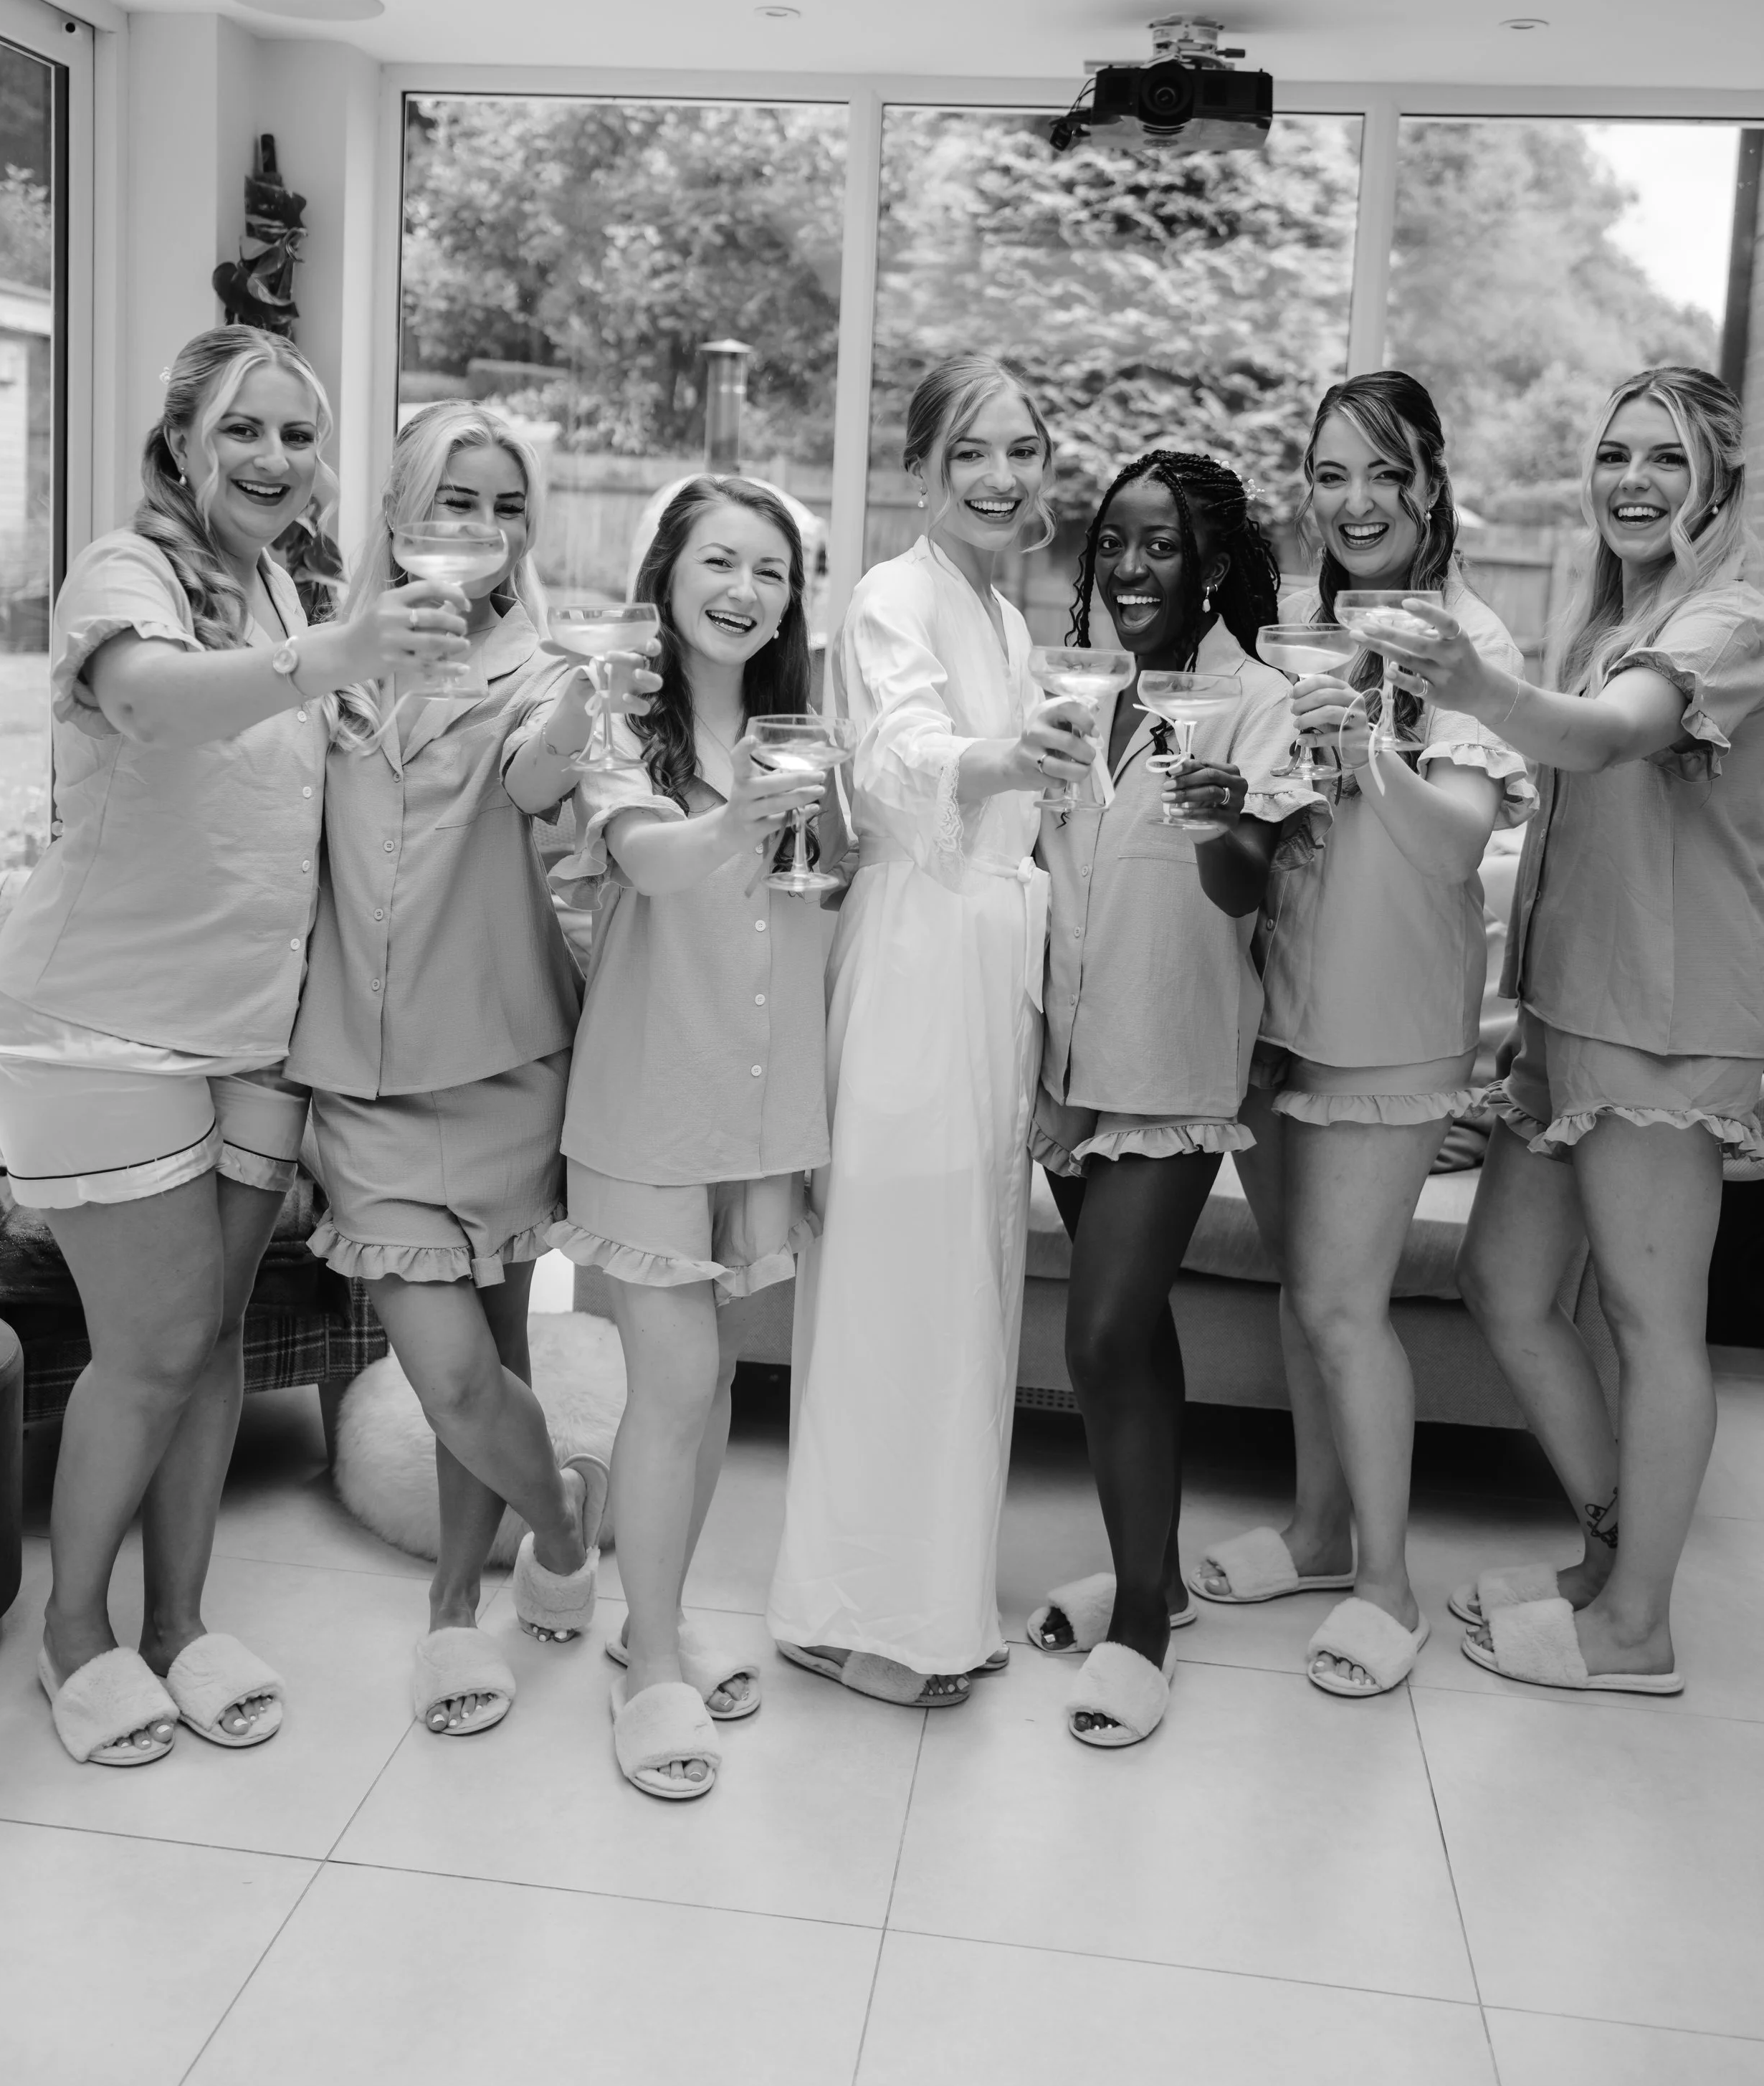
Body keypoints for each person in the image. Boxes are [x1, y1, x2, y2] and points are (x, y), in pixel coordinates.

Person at [0, 328, 457, 1768]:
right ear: (183, 439)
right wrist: (335, 653)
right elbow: (147, 697)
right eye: (242, 429)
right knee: (157, 1337)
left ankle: (180, 1619)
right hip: (100, 1028)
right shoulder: (129, 569)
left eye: (298, 438)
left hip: (257, 1027)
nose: (271, 460)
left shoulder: (288, 583)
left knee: (220, 1336)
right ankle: (78, 1631)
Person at [1372, 365, 1764, 1698]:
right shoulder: (1626, 610)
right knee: (1507, 1285)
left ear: (1723, 478)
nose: (1633, 481)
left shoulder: (1728, 615)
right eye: (1616, 454)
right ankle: (1610, 1555)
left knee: (1656, 1326)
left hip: (1665, 1022)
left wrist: (1480, 684)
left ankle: (1638, 1629)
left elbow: (1608, 742)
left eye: (1668, 459)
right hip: (1567, 1013)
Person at [1190, 371, 1532, 1700]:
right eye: (1330, 476)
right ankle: (1320, 1532)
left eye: (1382, 474)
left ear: (1430, 484)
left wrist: (1368, 749)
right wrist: (1235, 802)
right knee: (1303, 1297)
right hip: (1283, 1007)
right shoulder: (1303, 632)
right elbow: (1283, 833)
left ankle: (1388, 1583)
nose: (1355, 502)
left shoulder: (1467, 643)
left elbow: (1455, 844)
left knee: (1344, 1304)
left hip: (1392, 1021)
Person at [286, 402, 621, 1739]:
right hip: (360, 1080)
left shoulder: (546, 669)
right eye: (453, 503)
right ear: (398, 515)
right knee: (457, 1381)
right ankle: (565, 1524)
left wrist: (596, 692)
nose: (479, 534)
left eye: (503, 509)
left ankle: (449, 1614)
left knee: (490, 1350)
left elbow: (546, 781)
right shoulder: (332, 659)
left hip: (499, 1066)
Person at [767, 353, 1097, 1708]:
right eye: (972, 451)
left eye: (1024, 451)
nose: (1003, 477)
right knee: (894, 1290)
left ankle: (924, 1596)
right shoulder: (890, 599)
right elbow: (894, 759)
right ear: (920, 469)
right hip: (914, 962)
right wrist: (1006, 761)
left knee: (966, 1288)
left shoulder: (1009, 617)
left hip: (992, 966)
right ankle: (853, 1617)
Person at [553, 475, 832, 1801]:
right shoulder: (622, 720)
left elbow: (831, 902)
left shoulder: (808, 732)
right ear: (667, 575)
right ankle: (651, 1651)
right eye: (719, 562)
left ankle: (652, 1614)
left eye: (770, 572)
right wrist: (748, 816)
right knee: (670, 1390)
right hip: (651, 1105)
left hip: (762, 1110)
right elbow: (653, 863)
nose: (743, 591)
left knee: (715, 1389)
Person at [1025, 452, 1308, 1747]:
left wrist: (1225, 819)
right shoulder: (1075, 693)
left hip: (1174, 1063)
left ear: (1211, 563)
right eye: (1118, 546)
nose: (1135, 571)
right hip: (1070, 1064)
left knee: (1096, 1340)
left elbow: (1250, 886)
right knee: (1131, 1338)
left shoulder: (1258, 700)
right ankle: (1153, 1577)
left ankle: (1142, 1626)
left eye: (1165, 548)